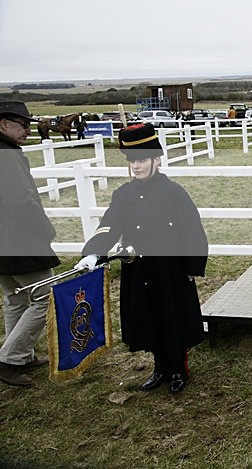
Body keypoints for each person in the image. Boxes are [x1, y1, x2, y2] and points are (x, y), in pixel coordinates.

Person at [75, 124, 208, 394]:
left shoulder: (174, 193)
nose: (136, 166)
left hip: (169, 269)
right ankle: (159, 367)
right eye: (132, 161)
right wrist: (93, 252)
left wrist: (192, 266)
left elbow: (192, 229)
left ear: (156, 160)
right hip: (139, 268)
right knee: (149, 317)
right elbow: (110, 224)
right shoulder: (123, 194)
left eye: (142, 160)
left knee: (172, 317)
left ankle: (178, 368)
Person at [0, 100, 60, 387]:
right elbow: (22, 202)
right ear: (4, 125)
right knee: (44, 296)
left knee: (16, 298)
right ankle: (10, 359)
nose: (28, 130)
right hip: (19, 241)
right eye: (23, 125)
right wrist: (45, 230)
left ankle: (20, 355)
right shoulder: (7, 155)